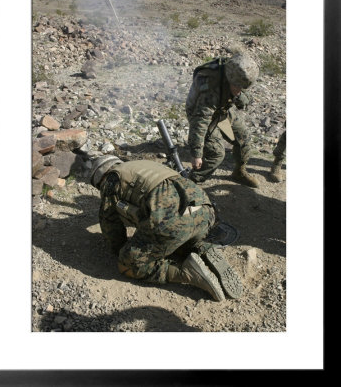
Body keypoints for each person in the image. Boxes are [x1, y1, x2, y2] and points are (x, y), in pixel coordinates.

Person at [91, 155, 243, 302]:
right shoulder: (142, 165)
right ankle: (202, 247)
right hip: (205, 211)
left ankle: (186, 272)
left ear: (100, 177)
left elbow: (110, 222)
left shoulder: (111, 179)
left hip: (173, 224)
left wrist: (122, 250)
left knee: (128, 263)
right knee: (174, 234)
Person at [186, 52, 259, 187]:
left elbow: (243, 95)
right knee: (217, 154)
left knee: (243, 138)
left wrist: (239, 97)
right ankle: (190, 184)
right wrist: (196, 154)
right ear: (229, 80)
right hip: (202, 114)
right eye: (237, 87)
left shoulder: (236, 72)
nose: (239, 90)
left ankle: (239, 172)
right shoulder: (210, 89)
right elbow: (200, 122)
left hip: (222, 109)